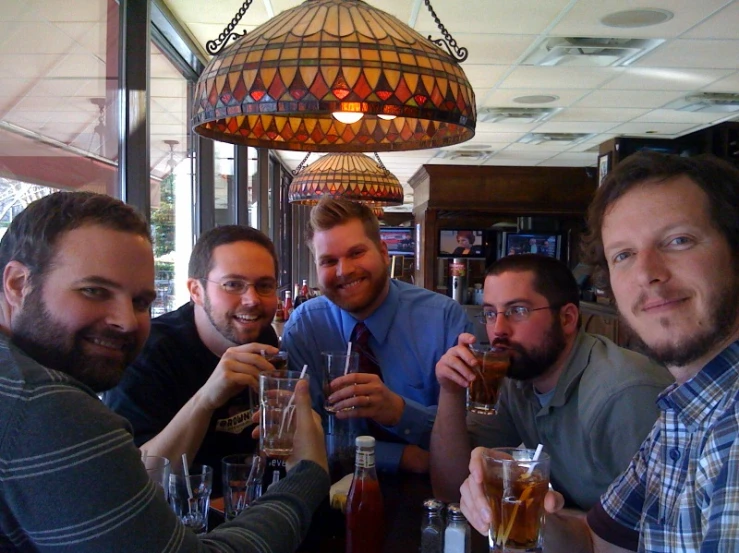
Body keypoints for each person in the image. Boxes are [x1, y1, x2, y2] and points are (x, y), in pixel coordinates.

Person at [0, 192, 329, 552]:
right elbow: (150, 478)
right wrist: (309, 474)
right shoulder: (46, 404)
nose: (126, 322)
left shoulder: (264, 338)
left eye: (141, 302)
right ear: (17, 284)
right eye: (94, 290)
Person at [460, 152, 739, 552]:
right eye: (624, 255)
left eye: (679, 241)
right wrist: (523, 510)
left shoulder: (723, 425)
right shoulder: (682, 414)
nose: (647, 273)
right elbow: (595, 541)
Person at [431, 254, 671, 510]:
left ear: (567, 318)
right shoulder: (517, 376)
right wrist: (451, 391)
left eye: (518, 311)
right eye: (490, 313)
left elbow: (661, 532)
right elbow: (451, 489)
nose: (498, 329)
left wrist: (544, 522)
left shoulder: (624, 396)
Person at [282, 197, 472, 474]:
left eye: (356, 253)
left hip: (433, 490)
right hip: (331, 491)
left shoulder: (444, 319)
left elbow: (474, 429)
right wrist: (403, 456)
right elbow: (301, 433)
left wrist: (399, 412)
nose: (344, 270)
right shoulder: (305, 327)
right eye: (329, 260)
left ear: (383, 252)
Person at [104, 225, 280, 490]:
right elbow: (133, 481)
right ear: (196, 291)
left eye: (264, 285)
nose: (252, 300)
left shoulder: (263, 336)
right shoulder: (147, 353)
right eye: (233, 284)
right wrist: (206, 398)